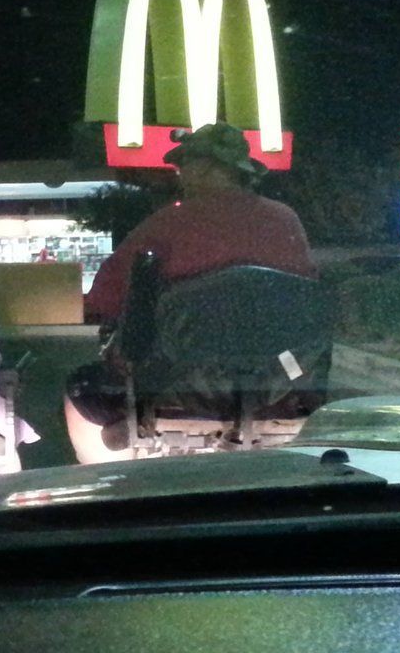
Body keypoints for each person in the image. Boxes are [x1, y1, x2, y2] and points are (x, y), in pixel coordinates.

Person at [66, 122, 318, 463]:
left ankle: (108, 486)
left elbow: (104, 297)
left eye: (184, 164)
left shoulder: (168, 223)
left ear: (206, 168)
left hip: (177, 388)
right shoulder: (286, 220)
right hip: (278, 386)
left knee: (81, 387)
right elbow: (309, 294)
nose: (180, 173)